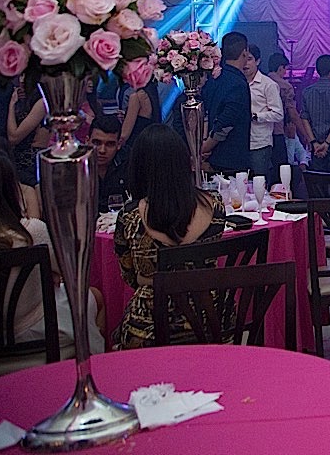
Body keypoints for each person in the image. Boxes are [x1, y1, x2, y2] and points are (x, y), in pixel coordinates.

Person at [0, 149, 105, 355]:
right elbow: (66, 271)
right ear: (11, 187)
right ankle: (95, 363)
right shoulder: (31, 232)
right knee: (94, 296)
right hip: (36, 331)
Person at [113, 124, 226, 349]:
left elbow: (130, 276)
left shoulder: (130, 216)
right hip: (212, 322)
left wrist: (150, 278)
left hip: (149, 328)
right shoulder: (216, 207)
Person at [200, 31, 252, 176]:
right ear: (245, 53)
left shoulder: (215, 78)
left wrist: (203, 143)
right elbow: (226, 121)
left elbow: (206, 114)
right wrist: (204, 147)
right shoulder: (238, 83)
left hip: (212, 156)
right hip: (230, 159)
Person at [243, 45, 283, 185]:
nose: (245, 63)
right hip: (240, 142)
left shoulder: (268, 84)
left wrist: (256, 116)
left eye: (249, 59)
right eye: (243, 59)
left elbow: (278, 114)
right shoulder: (238, 83)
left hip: (260, 143)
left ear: (258, 61)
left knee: (259, 183)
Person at [301, 54, 330, 173]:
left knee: (318, 180)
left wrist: (314, 142)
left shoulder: (307, 92)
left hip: (315, 142)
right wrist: (327, 143)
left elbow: (304, 118)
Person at [90, 115, 131, 212]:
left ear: (119, 144)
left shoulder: (128, 164)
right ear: (87, 141)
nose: (102, 150)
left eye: (110, 144)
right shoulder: (77, 168)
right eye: (97, 143)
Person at [118, 77, 161, 154]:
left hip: (135, 146)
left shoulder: (136, 97)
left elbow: (124, 134)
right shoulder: (152, 94)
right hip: (151, 143)